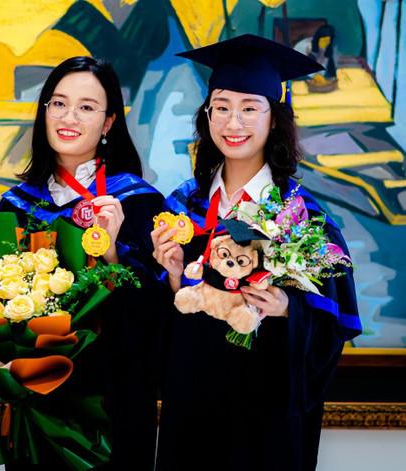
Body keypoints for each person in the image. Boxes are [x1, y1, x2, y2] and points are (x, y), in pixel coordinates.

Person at [151, 34, 361, 471]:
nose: (234, 122)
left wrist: (288, 309)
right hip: (193, 409)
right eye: (221, 107)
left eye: (250, 108)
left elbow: (333, 326)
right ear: (207, 115)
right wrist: (172, 277)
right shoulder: (182, 209)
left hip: (268, 415)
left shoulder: (302, 217)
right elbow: (154, 327)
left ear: (274, 119)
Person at [0, 56, 163, 469]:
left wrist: (112, 253)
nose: (68, 117)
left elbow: (155, 317)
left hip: (113, 402)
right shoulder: (15, 206)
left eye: (86, 107)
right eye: (58, 103)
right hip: (37, 399)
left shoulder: (137, 202)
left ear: (108, 123)